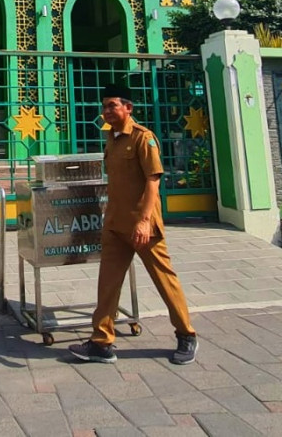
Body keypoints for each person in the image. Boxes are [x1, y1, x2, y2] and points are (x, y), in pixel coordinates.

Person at [69, 83, 198, 365]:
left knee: (164, 280)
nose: (107, 111)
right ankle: (102, 342)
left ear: (129, 108)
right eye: (104, 107)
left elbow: (154, 179)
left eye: (112, 105)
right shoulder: (112, 139)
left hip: (143, 226)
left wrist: (143, 221)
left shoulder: (143, 138)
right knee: (108, 285)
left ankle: (186, 334)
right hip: (115, 224)